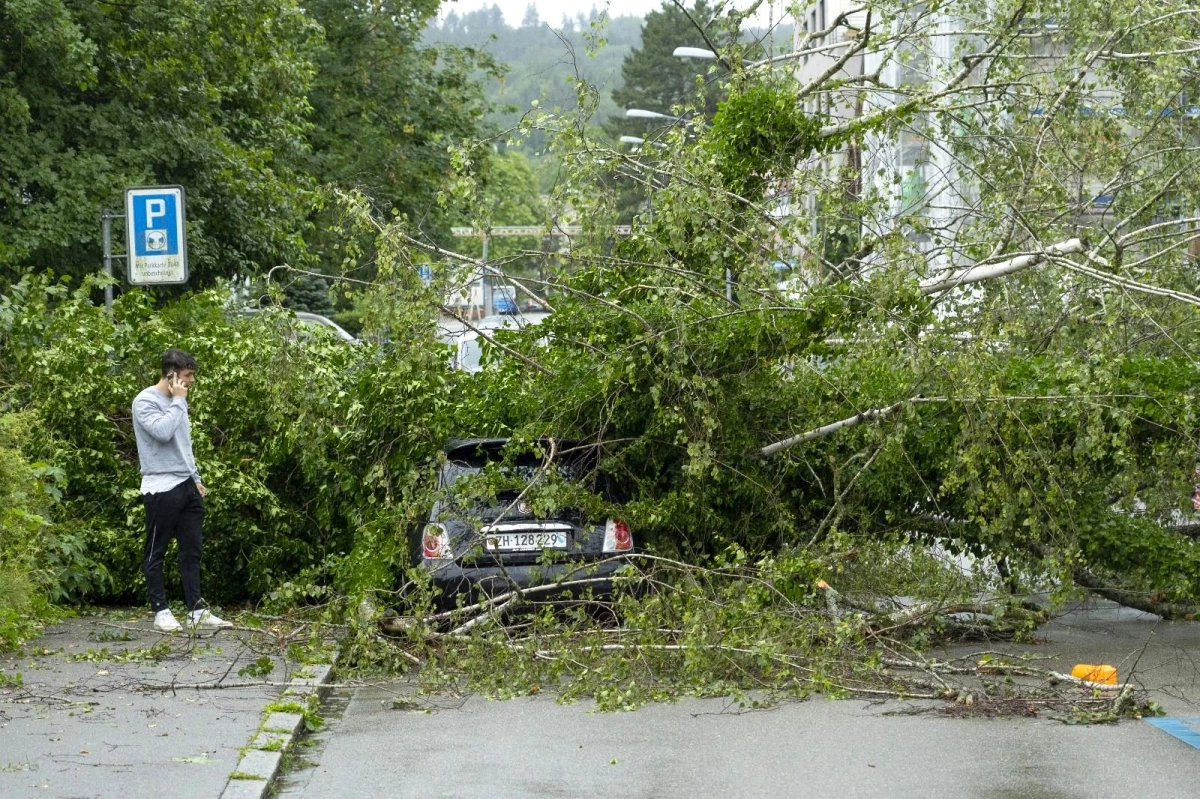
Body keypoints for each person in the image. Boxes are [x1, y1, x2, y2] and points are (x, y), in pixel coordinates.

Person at [132, 349, 232, 632]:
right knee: (156, 551)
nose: (191, 382)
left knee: (192, 550)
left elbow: (183, 444)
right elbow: (162, 433)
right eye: (187, 376)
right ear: (171, 374)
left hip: (186, 485)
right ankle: (161, 611)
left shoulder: (180, 401)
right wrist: (178, 401)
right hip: (160, 486)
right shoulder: (145, 401)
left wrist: (195, 478)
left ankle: (196, 610)